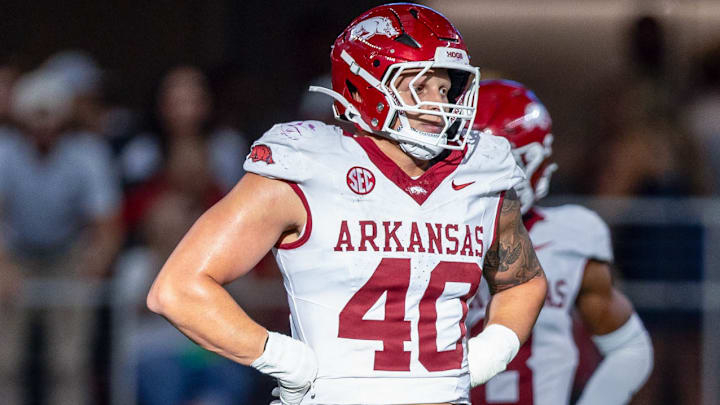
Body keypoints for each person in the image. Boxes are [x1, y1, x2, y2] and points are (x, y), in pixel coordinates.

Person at [147, 4, 547, 405]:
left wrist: (490, 352)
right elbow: (178, 288)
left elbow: (524, 280)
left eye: (445, 89)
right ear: (362, 86)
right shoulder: (307, 164)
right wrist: (285, 358)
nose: (438, 104)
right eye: (420, 86)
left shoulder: (479, 170)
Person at [466, 80, 653, 405]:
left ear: (535, 161)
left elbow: (630, 348)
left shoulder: (571, 236)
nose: (484, 174)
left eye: (498, 161)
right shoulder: (434, 230)